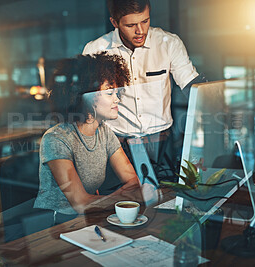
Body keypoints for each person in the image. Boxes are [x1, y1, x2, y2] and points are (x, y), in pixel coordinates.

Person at [34, 52, 140, 221]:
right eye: (109, 93)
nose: (117, 99)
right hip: (53, 226)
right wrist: (122, 197)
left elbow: (133, 182)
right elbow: (80, 203)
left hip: (88, 219)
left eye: (116, 92)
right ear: (85, 97)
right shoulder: (56, 139)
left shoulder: (104, 132)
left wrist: (115, 197)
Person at [83, 0, 200, 140]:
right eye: (131, 25)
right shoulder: (95, 50)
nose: (140, 31)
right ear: (114, 23)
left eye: (145, 21)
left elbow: (192, 85)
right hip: (115, 138)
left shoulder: (169, 44)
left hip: (162, 137)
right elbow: (87, 102)